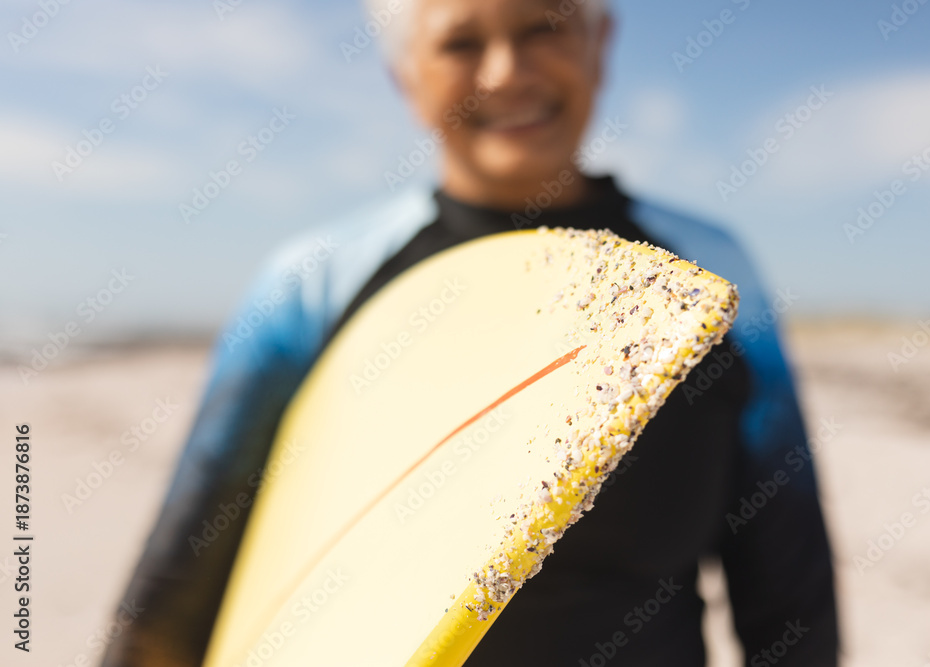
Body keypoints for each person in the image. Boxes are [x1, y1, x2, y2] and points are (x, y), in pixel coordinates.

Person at [103, 0, 839, 664]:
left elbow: (788, 583)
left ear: (599, 41)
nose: (506, 71)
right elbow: (182, 590)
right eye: (460, 43)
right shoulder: (314, 286)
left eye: (542, 26)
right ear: (404, 77)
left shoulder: (704, 280)